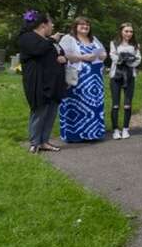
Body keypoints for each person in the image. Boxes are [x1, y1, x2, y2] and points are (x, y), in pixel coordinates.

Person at [18, 10, 67, 153]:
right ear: (43, 25)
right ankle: (35, 142)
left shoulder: (48, 41)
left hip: (53, 82)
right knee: (39, 111)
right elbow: (37, 50)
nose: (52, 26)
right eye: (51, 23)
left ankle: (44, 141)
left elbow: (59, 54)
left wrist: (64, 59)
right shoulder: (27, 37)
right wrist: (52, 40)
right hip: (38, 82)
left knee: (51, 113)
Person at [59, 16, 107, 142]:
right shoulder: (68, 39)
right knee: (77, 105)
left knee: (93, 105)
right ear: (75, 26)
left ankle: (93, 134)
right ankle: (74, 135)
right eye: (82, 24)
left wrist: (100, 55)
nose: (85, 27)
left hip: (95, 79)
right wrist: (83, 57)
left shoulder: (94, 39)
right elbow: (63, 55)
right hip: (78, 78)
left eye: (87, 25)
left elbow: (103, 53)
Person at [109, 23, 142, 140]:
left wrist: (126, 59)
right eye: (126, 31)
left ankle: (125, 129)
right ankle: (115, 130)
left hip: (130, 76)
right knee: (115, 104)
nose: (129, 33)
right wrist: (125, 57)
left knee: (127, 104)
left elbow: (138, 59)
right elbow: (113, 57)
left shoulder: (135, 45)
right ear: (121, 32)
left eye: (131, 31)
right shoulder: (114, 43)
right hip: (115, 77)